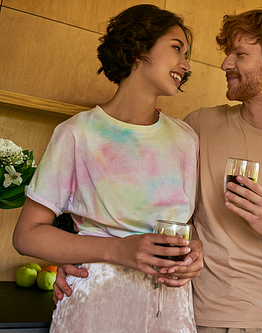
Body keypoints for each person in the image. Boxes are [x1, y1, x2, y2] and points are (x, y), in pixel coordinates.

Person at [54, 8, 262, 332]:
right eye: (228, 52)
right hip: (201, 316)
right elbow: (138, 198)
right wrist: (78, 256)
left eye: (240, 54)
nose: (225, 63)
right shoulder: (197, 127)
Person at [12, 4, 203, 332]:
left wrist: (195, 251)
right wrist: (117, 249)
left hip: (170, 309)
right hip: (96, 303)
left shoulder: (186, 139)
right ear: (139, 46)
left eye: (187, 55)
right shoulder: (76, 133)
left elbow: (185, 224)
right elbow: (27, 235)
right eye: (176, 48)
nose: (186, 64)